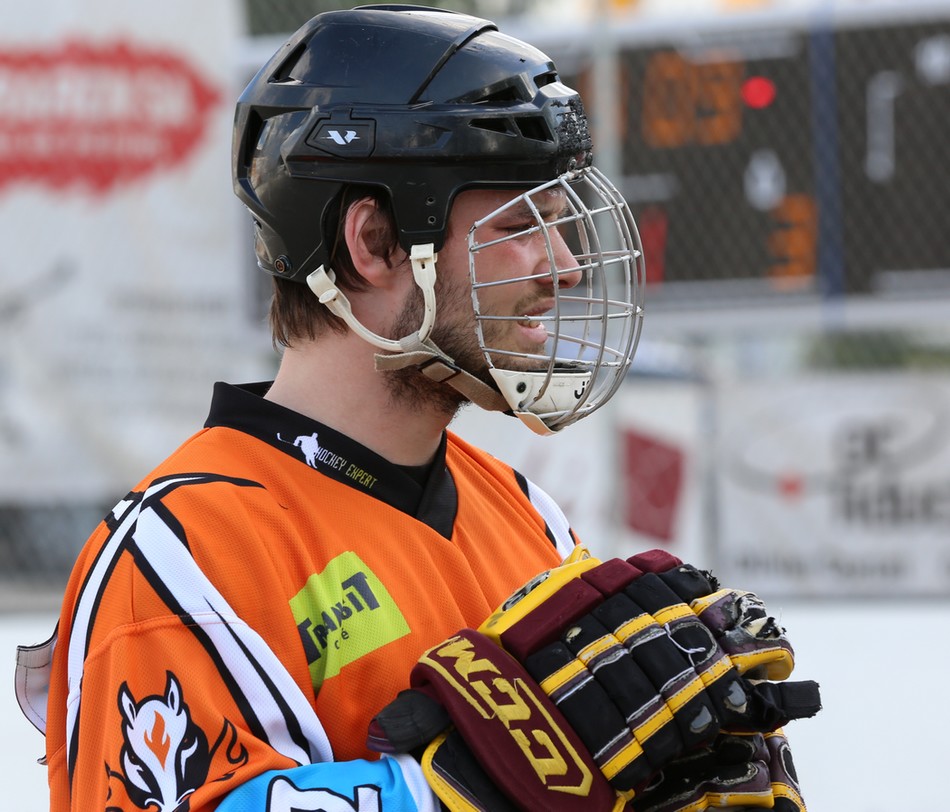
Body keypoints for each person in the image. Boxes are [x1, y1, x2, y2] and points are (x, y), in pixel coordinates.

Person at [15, 6, 816, 812]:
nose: (567, 266)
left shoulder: (528, 517)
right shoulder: (182, 554)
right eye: (521, 225)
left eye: (560, 222)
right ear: (374, 244)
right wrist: (472, 785)